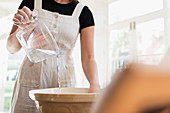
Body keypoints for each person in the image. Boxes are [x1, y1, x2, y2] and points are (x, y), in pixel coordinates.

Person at [7, 0, 100, 113]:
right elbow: (11, 48)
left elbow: (89, 57)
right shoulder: (32, 2)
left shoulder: (83, 12)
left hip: (65, 84)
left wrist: (94, 84)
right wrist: (22, 28)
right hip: (30, 80)